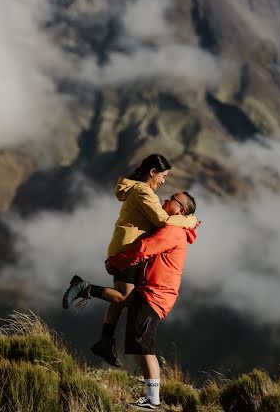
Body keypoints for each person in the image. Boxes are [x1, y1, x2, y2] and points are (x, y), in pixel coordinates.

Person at [62, 154, 198, 367]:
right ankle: (84, 288)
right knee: (125, 297)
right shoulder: (145, 193)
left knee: (123, 299)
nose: (164, 181)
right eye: (163, 176)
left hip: (124, 246)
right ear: (152, 172)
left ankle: (106, 341)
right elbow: (162, 221)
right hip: (129, 249)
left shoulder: (141, 191)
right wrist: (188, 220)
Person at [65, 190, 197, 410]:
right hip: (152, 292)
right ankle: (103, 337)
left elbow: (145, 249)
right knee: (128, 315)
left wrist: (118, 261)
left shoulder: (173, 231)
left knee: (144, 346)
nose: (165, 200)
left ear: (180, 210)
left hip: (155, 295)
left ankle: (153, 400)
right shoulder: (178, 227)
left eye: (171, 200)